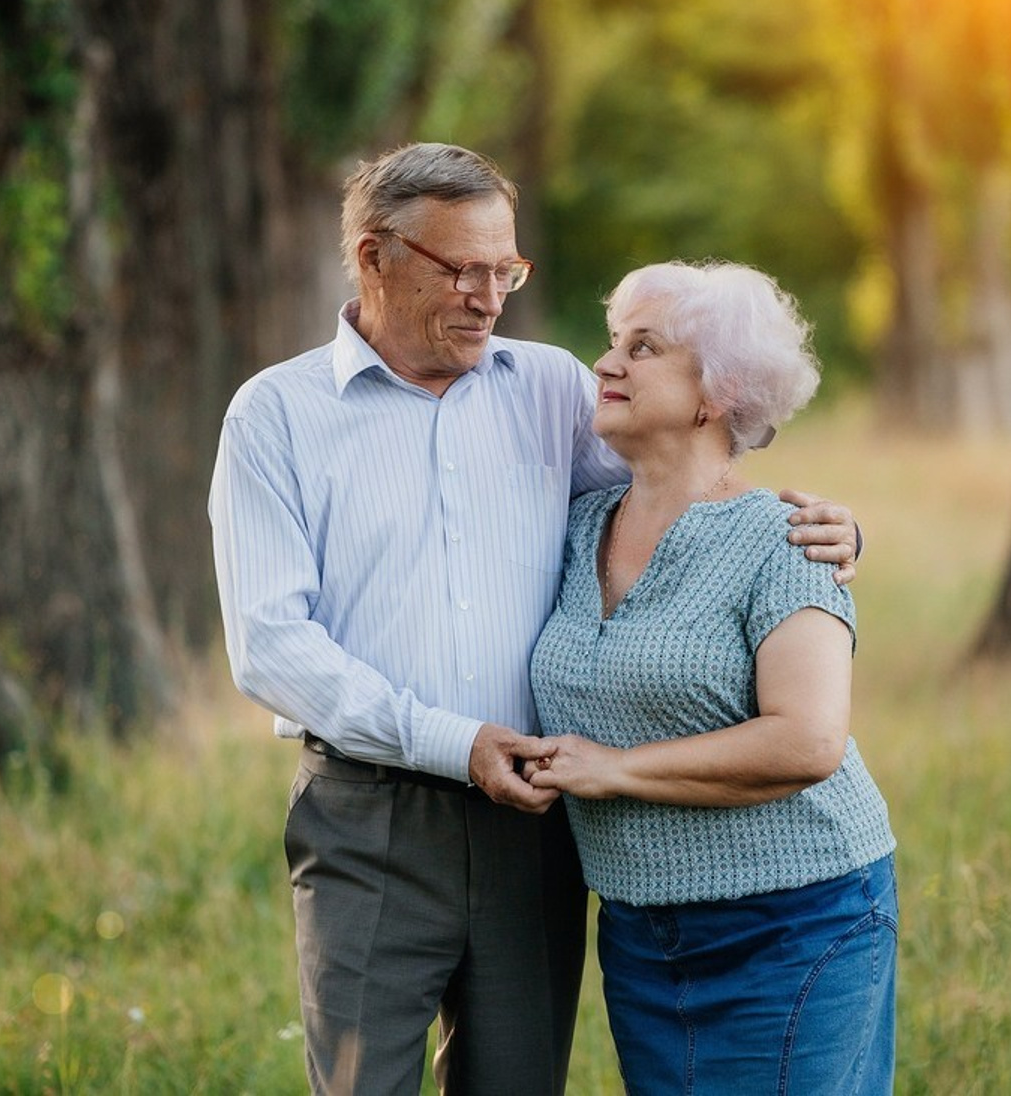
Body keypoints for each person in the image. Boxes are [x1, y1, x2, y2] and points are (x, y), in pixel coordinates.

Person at [208, 143, 861, 1096]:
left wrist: (832, 529)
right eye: (460, 269)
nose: (486, 295)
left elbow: (690, 495)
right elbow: (270, 643)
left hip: (542, 819)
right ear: (373, 255)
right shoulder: (277, 416)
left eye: (504, 271)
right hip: (371, 818)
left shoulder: (551, 388)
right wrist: (453, 741)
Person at [526, 259, 897, 1095]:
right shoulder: (574, 525)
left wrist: (615, 770)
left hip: (798, 922)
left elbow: (807, 741)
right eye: (613, 342)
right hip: (640, 932)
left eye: (643, 347)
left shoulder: (785, 541)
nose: (607, 363)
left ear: (715, 394)